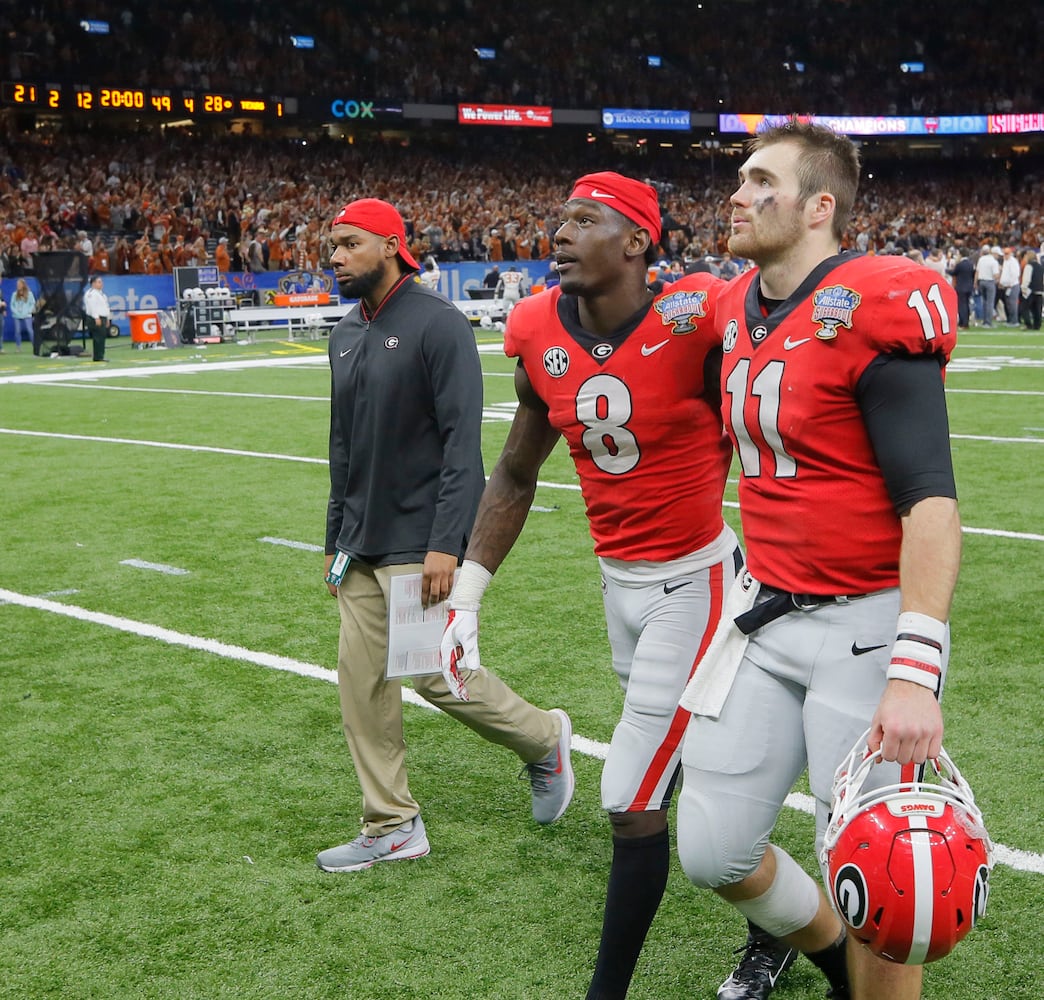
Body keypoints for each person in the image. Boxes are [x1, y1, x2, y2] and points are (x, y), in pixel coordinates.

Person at [439, 172, 791, 1000]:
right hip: (620, 585)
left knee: (633, 798)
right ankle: (779, 927)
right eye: (559, 216)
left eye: (585, 219)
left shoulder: (695, 315)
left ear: (637, 242)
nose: (560, 233)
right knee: (694, 772)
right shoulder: (534, 328)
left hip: (697, 582)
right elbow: (517, 471)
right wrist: (469, 591)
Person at [676, 120, 961, 1000]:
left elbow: (932, 504)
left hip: (864, 629)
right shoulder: (727, 304)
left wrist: (916, 670)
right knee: (713, 849)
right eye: (739, 175)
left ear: (818, 207)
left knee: (885, 882)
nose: (736, 192)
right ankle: (827, 953)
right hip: (763, 615)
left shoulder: (874, 301)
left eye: (761, 179)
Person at [318, 197, 574, 874]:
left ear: (391, 246)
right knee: (360, 685)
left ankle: (544, 739)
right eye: (332, 245)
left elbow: (465, 445)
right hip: (360, 544)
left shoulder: (439, 324)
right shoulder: (345, 333)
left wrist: (446, 543)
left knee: (432, 672)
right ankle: (392, 824)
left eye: (348, 243)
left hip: (419, 538)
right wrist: (333, 537)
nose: (335, 256)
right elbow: (342, 448)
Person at [83, 275, 111, 362]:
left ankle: (100, 355)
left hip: (102, 317)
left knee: (102, 337)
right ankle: (98, 356)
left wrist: (107, 318)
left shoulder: (101, 294)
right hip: (95, 317)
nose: (101, 284)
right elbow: (92, 307)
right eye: (99, 282)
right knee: (98, 337)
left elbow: (105, 307)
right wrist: (96, 317)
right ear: (93, 283)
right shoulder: (91, 294)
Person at [10, 277, 36, 351]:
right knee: (17, 331)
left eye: (19, 284)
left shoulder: (29, 294)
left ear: (23, 285)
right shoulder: (14, 294)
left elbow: (32, 304)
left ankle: (34, 345)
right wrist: (16, 312)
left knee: (30, 330)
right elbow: (12, 305)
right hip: (17, 315)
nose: (18, 285)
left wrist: (29, 311)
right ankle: (18, 347)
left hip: (27, 315)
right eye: (17, 284)